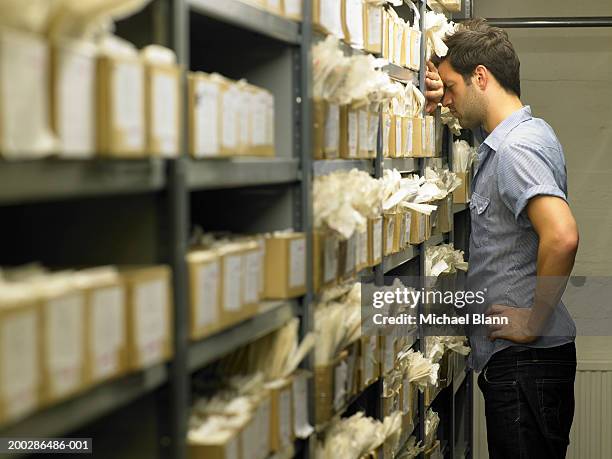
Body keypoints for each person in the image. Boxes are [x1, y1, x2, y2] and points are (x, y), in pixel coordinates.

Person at [425, 19, 579, 459]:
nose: (448, 99)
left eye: (452, 86)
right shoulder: (519, 136)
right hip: (523, 366)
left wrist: (532, 322)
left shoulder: (515, 151)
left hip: (525, 364)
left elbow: (563, 235)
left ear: (481, 77)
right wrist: (438, 86)